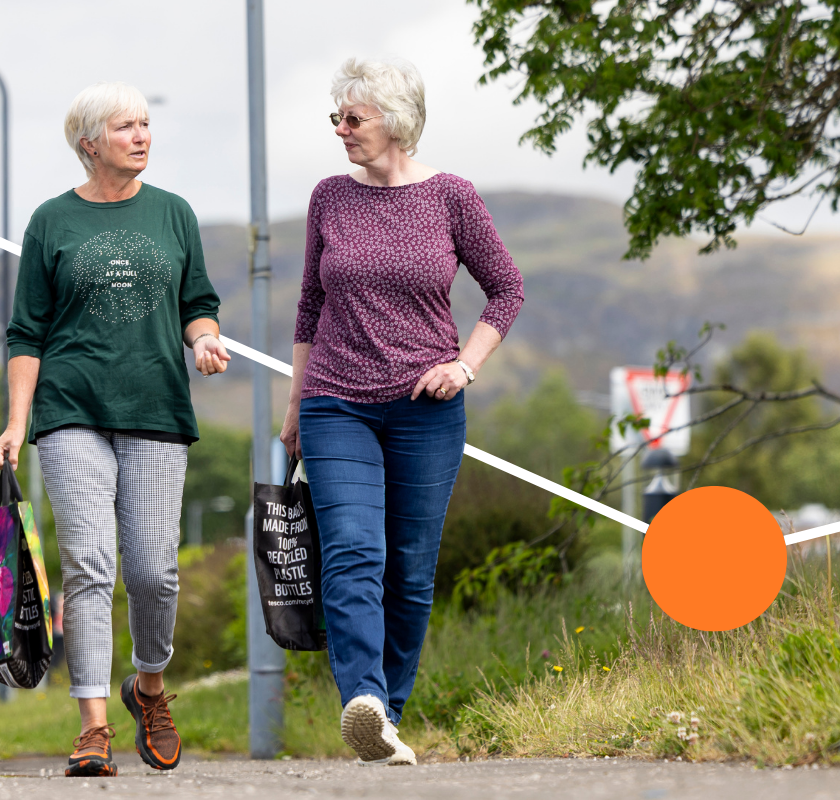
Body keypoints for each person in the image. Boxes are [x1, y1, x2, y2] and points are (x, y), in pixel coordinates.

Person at [279, 58, 524, 765]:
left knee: (411, 572)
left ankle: (389, 718)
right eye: (337, 119)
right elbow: (309, 306)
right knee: (355, 552)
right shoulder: (329, 197)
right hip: (336, 402)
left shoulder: (451, 197)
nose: (341, 131)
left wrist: (465, 365)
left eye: (353, 119)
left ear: (398, 120)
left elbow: (506, 290)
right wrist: (295, 406)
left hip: (426, 408)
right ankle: (366, 700)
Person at [0, 81, 230, 778]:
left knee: (154, 570)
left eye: (147, 124)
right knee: (90, 568)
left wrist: (205, 340)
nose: (143, 135)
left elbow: (199, 303)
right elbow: (26, 331)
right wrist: (16, 422)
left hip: (156, 409)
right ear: (89, 143)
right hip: (70, 411)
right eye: (127, 126)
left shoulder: (174, 214)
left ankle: (148, 690)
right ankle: (93, 725)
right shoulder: (51, 222)